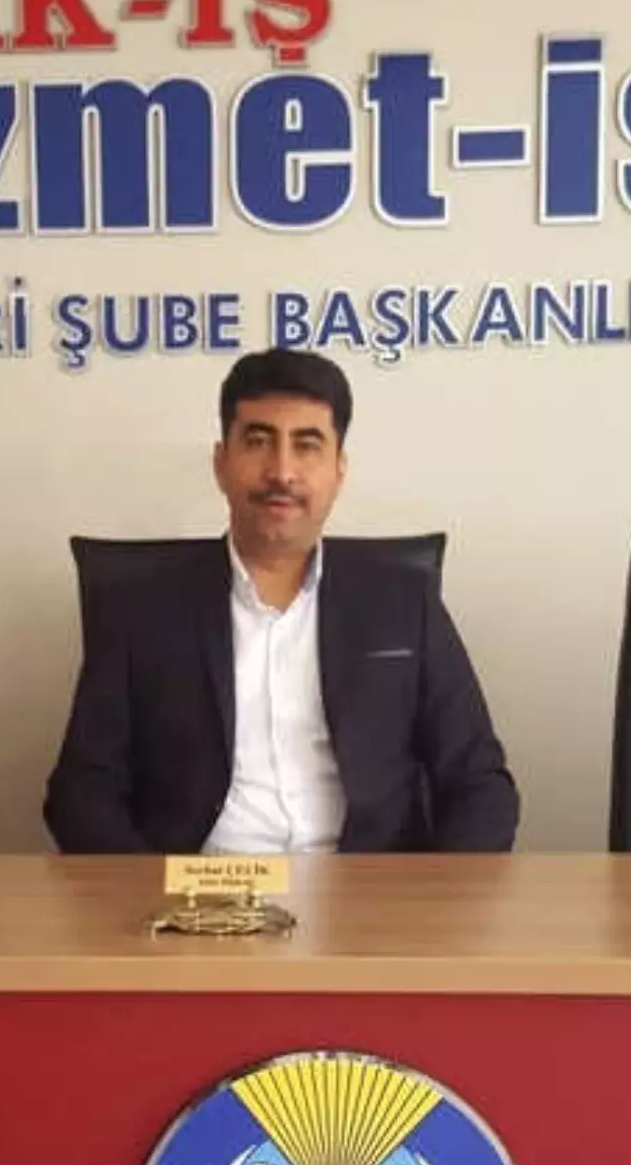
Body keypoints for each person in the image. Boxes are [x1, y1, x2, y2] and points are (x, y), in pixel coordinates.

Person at [44, 347, 519, 854]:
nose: (282, 471)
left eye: (307, 445)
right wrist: (151, 892)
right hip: (200, 888)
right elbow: (81, 792)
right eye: (258, 441)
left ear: (339, 469)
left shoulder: (403, 602)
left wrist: (439, 896)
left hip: (367, 884)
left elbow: (479, 782)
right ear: (221, 463)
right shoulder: (139, 608)